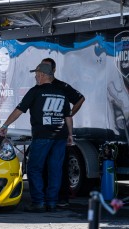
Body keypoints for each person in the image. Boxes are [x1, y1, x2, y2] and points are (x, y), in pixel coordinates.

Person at [0, 63, 73, 212]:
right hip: (60, 136)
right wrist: (70, 134)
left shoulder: (35, 91)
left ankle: (38, 202)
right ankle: (51, 202)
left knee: (34, 168)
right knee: (55, 169)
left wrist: (5, 125)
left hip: (43, 136)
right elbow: (68, 116)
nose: (35, 76)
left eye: (37, 74)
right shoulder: (61, 92)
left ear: (43, 75)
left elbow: (19, 110)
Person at [42, 58, 85, 207]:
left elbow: (80, 99)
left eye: (46, 67)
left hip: (60, 133)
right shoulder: (39, 86)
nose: (43, 69)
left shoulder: (62, 86)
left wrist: (69, 115)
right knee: (43, 166)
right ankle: (47, 197)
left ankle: (62, 198)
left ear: (53, 70)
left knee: (59, 165)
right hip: (43, 134)